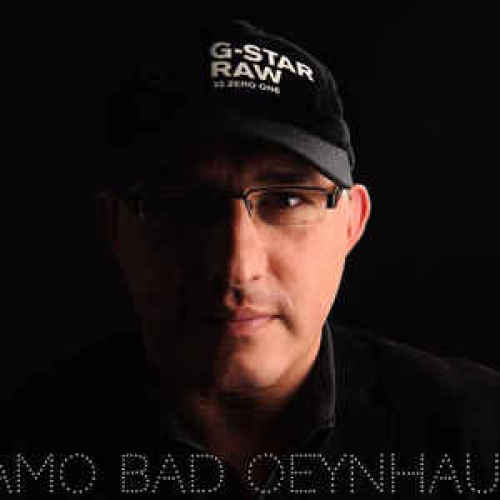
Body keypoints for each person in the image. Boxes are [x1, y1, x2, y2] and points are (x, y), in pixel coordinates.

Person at [4, 19, 499, 499]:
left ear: (352, 221)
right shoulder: (24, 449)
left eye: (287, 200)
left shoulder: (479, 435)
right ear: (114, 226)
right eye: (184, 205)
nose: (237, 268)